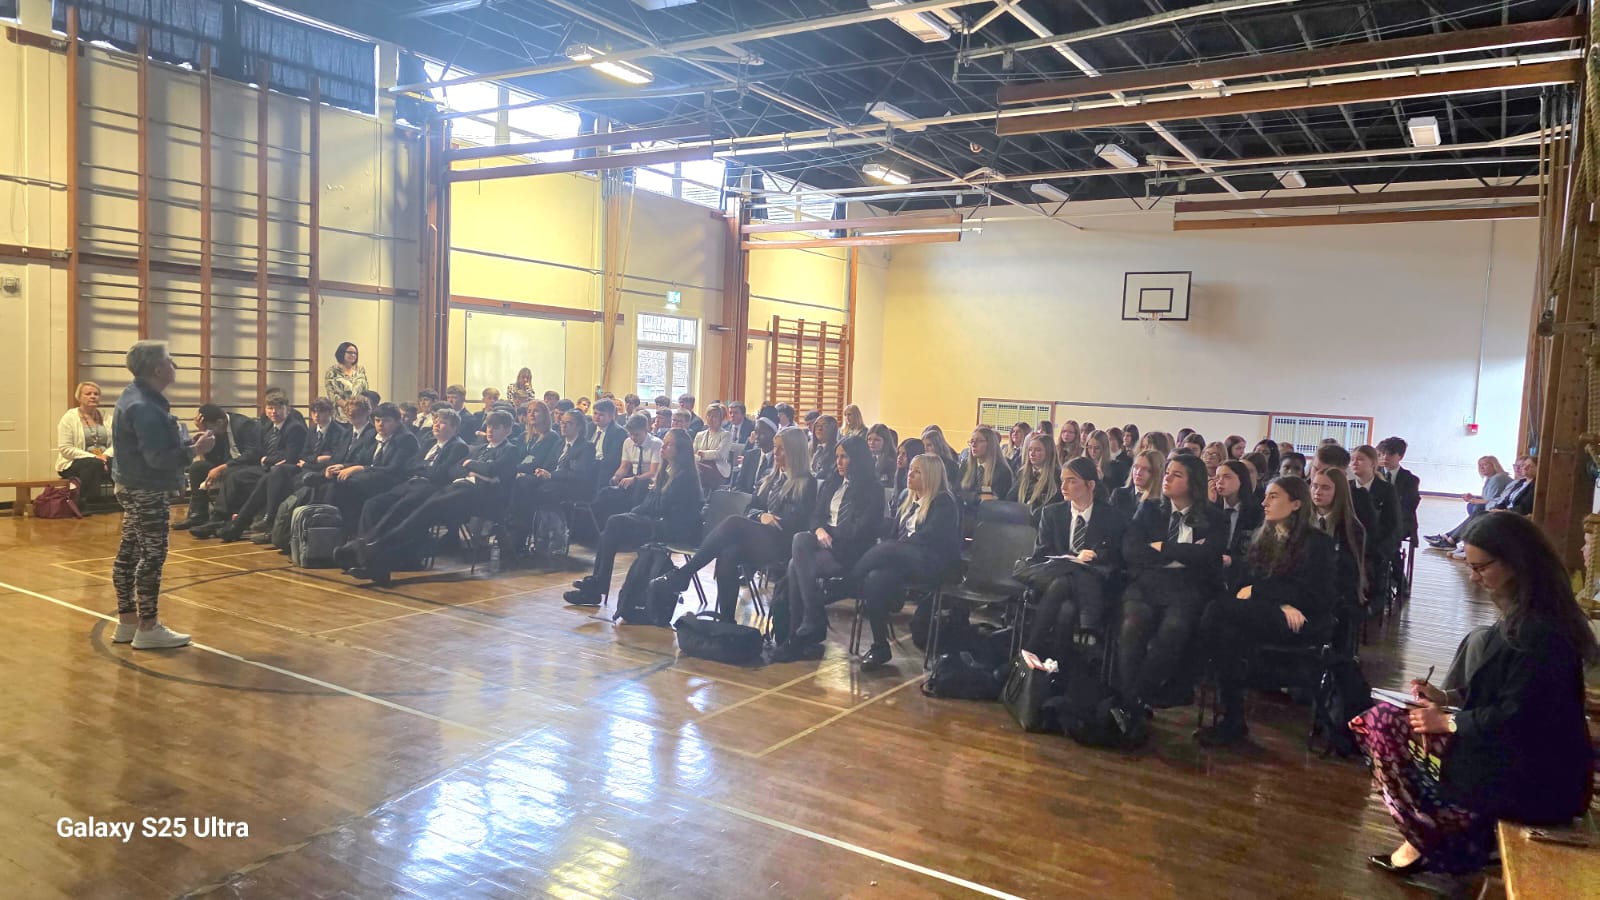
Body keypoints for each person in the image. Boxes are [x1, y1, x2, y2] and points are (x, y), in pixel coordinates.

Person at [1355, 512, 1596, 877]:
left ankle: (1437, 837)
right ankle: (1440, 834)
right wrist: (1445, 697)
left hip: (1538, 782)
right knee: (1392, 721)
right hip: (1522, 762)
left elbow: (1518, 715)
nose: (1474, 577)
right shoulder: (1528, 615)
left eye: (1481, 568)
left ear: (1514, 562)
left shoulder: (1540, 630)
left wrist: (1447, 722)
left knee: (1383, 724)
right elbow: (1506, 692)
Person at [1196, 475, 1336, 747]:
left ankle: (1206, 682)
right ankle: (1232, 717)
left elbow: (1315, 596)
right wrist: (1279, 602)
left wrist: (1262, 593)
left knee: (1217, 612)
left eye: (1273, 496)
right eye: (1265, 496)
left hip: (1302, 620)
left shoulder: (1318, 543)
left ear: (1296, 504)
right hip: (1270, 613)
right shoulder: (1262, 537)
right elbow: (1243, 585)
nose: (1264, 503)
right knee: (1226, 633)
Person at [110, 341, 216, 650]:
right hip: (146, 489)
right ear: (157, 369)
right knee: (152, 556)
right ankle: (148, 626)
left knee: (129, 553)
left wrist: (186, 443)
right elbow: (157, 459)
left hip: (130, 484)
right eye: (170, 360)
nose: (175, 366)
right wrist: (195, 451)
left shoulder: (134, 396)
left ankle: (127, 621)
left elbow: (150, 446)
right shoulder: (144, 406)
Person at [656, 426, 818, 622]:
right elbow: (750, 508)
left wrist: (767, 518)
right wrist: (761, 516)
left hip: (785, 541)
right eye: (775, 447)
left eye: (781, 448)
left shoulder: (807, 482)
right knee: (728, 553)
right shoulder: (771, 477)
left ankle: (685, 574)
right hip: (762, 536)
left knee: (734, 522)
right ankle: (726, 621)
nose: (775, 452)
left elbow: (798, 522)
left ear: (794, 451)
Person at [349, 411, 520, 584]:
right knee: (414, 513)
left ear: (507, 430)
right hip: (458, 487)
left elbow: (493, 471)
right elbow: (455, 471)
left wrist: (471, 466)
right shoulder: (480, 448)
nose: (490, 430)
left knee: (423, 512)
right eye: (489, 426)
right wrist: (478, 470)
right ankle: (376, 555)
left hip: (479, 498)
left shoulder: (510, 450)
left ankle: (374, 549)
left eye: (496, 427)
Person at [1117, 453, 1227, 711]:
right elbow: (1131, 550)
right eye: (1167, 472)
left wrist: (1162, 547)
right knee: (1134, 623)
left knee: (1174, 627)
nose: (1167, 478)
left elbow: (1209, 556)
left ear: (1193, 483)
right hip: (1146, 583)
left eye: (1177, 475)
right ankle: (1131, 701)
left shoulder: (1215, 518)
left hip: (1188, 586)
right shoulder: (1150, 509)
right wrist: (1187, 551)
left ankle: (1135, 698)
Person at [772, 436, 885, 661]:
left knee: (795, 564)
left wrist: (828, 532)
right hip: (824, 544)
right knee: (799, 545)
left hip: (852, 551)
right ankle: (807, 624)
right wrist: (819, 530)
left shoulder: (873, 490)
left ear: (857, 458)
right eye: (837, 457)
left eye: (844, 457)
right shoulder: (833, 482)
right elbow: (816, 516)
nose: (839, 462)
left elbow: (862, 529)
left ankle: (801, 632)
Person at [565, 428, 703, 606]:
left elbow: (660, 506)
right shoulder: (666, 471)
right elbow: (651, 502)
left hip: (675, 528)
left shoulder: (685, 476)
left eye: (669, 445)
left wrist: (637, 512)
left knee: (615, 523)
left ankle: (597, 585)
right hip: (659, 521)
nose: (663, 447)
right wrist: (636, 512)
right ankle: (597, 584)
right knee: (610, 530)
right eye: (664, 443)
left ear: (680, 450)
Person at [850, 453, 963, 668]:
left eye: (917, 471)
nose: (910, 474)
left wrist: (897, 548)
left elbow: (928, 537)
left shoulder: (944, 502)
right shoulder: (906, 499)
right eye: (910, 469)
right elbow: (894, 534)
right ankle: (880, 646)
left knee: (888, 548)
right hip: (904, 562)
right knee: (875, 578)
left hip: (934, 564)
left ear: (931, 476)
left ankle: (848, 583)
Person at [1021, 456, 1129, 667]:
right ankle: (1061, 668)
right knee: (1065, 598)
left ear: (1090, 485)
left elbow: (1116, 557)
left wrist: (1093, 557)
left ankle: (1032, 653)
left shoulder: (1111, 517)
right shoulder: (1052, 513)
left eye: (1071, 481)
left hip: (1093, 586)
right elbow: (1042, 553)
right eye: (1062, 480)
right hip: (1055, 578)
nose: (1063, 486)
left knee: (1066, 607)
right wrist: (1072, 561)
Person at [191, 393, 308, 538]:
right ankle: (217, 518)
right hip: (265, 467)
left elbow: (289, 458)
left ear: (287, 409)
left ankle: (229, 521)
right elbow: (261, 451)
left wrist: (266, 460)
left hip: (283, 472)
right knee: (235, 475)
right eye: (270, 408)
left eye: (278, 408)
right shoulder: (268, 426)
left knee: (237, 475)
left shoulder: (294, 428)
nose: (274, 412)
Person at [242, 397, 349, 543]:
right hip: (305, 467)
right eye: (314, 412)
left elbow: (334, 459)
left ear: (330, 412)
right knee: (277, 472)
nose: (316, 415)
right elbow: (303, 455)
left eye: (321, 412)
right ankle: (269, 517)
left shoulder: (339, 432)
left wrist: (312, 461)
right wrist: (317, 459)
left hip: (320, 472)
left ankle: (275, 529)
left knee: (292, 484)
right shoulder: (312, 429)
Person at [325, 403, 421, 525]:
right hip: (372, 476)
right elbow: (361, 460)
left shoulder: (406, 439)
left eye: (386, 420)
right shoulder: (372, 435)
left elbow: (393, 469)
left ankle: (348, 529)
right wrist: (343, 466)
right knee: (334, 481)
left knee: (348, 485)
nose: (380, 424)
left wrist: (360, 468)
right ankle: (331, 526)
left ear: (397, 422)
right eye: (377, 420)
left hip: (393, 480)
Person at [173, 403, 260, 530]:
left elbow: (252, 454)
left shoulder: (244, 425)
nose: (209, 431)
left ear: (219, 422)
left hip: (248, 465)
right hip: (228, 463)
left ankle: (218, 517)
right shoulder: (218, 429)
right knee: (197, 468)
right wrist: (205, 434)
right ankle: (198, 514)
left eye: (209, 428)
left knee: (229, 473)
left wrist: (222, 467)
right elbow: (213, 458)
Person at [1310, 467, 1368, 636]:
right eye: (1314, 486)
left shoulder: (1351, 527)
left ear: (1339, 492)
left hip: (1337, 594)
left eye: (1325, 488)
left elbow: (1350, 571)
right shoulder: (1301, 520)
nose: (1318, 492)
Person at [590, 413, 664, 526]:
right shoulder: (628, 442)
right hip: (632, 480)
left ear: (646, 430)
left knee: (639, 488)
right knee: (605, 493)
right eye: (631, 434)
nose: (633, 438)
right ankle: (599, 525)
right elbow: (624, 467)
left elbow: (653, 472)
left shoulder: (656, 444)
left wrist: (634, 479)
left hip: (648, 482)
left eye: (637, 435)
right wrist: (616, 477)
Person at [57, 381, 116, 511]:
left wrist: (105, 456)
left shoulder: (107, 417)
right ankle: (83, 502)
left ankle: (122, 501)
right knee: (93, 464)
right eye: (88, 394)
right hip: (73, 462)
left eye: (96, 394)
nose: (93, 396)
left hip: (104, 459)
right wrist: (95, 457)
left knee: (119, 463)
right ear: (79, 397)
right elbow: (65, 449)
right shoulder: (69, 418)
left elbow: (117, 443)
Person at [1212, 459, 1259, 590]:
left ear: (1241, 480)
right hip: (1212, 572)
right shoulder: (1211, 508)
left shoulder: (1256, 511)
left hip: (1242, 574)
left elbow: (1256, 554)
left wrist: (1232, 560)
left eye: (1227, 477)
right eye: (1217, 477)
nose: (1220, 482)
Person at [956, 425, 1014, 511]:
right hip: (965, 513)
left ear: (990, 444)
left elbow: (994, 499)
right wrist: (976, 497)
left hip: (990, 514)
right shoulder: (966, 465)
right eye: (972, 441)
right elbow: (957, 492)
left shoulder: (1002, 470)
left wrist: (968, 496)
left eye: (979, 441)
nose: (974, 445)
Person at [1009, 432, 1061, 525]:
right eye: (1030, 450)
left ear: (1049, 453)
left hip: (1041, 523)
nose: (1032, 454)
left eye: (1038, 450)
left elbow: (1053, 506)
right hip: (1018, 520)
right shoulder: (1022, 473)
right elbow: (1010, 498)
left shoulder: (1056, 476)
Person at [1111, 449, 1163, 519]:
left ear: (1156, 473)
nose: (1138, 473)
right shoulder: (1118, 494)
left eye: (1145, 469)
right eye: (1136, 467)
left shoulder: (1160, 503)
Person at [324, 342, 368, 423]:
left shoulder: (360, 369)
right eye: (350, 352)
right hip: (341, 415)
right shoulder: (332, 371)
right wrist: (348, 407)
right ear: (341, 353)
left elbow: (365, 390)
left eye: (355, 353)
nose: (353, 355)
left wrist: (359, 407)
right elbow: (332, 394)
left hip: (360, 413)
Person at [693, 403, 733, 490]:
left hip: (718, 469)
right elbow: (692, 454)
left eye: (714, 416)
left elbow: (720, 454)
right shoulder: (699, 435)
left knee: (696, 469)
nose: (710, 419)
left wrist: (702, 454)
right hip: (700, 465)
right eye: (709, 415)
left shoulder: (726, 435)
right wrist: (700, 457)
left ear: (721, 419)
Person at [732, 418, 778, 494]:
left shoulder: (778, 458)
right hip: (746, 498)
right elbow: (739, 485)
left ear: (773, 435)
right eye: (756, 433)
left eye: (762, 433)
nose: (757, 437)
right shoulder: (750, 455)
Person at [867, 424, 898, 489]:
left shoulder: (891, 462)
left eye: (876, 440)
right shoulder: (868, 458)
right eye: (869, 439)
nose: (872, 443)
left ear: (885, 441)